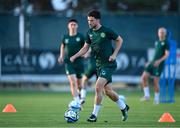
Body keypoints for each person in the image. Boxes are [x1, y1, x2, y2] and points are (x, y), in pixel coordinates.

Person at [70, 10, 129, 122]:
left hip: (109, 64)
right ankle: (123, 106)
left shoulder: (106, 31)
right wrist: (75, 56)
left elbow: (119, 40)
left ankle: (94, 115)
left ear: (98, 20)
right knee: (108, 91)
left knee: (98, 87)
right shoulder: (89, 33)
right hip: (99, 65)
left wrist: (114, 54)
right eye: (88, 20)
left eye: (92, 20)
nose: (89, 22)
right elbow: (85, 48)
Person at [58, 19, 85, 103]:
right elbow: (62, 46)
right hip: (69, 62)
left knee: (80, 85)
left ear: (77, 26)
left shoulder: (80, 37)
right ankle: (77, 102)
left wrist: (86, 53)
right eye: (71, 24)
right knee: (73, 83)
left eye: (74, 24)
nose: (73, 26)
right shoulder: (65, 37)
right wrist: (61, 56)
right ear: (68, 26)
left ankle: (80, 95)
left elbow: (87, 46)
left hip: (79, 62)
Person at [140, 27, 170, 104]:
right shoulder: (157, 42)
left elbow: (167, 55)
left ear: (165, 34)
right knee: (143, 77)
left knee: (155, 81)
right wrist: (150, 62)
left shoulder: (166, 42)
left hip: (159, 64)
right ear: (158, 33)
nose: (161, 34)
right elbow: (156, 54)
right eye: (160, 32)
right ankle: (146, 96)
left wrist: (159, 61)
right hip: (153, 63)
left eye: (163, 32)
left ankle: (156, 99)